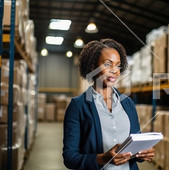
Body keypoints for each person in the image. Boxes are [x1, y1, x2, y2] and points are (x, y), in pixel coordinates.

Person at [63, 38, 154, 170]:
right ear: (93, 67)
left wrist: (143, 153)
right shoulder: (78, 106)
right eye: (107, 64)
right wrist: (103, 159)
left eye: (118, 65)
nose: (114, 71)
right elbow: (70, 158)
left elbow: (135, 144)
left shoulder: (127, 103)